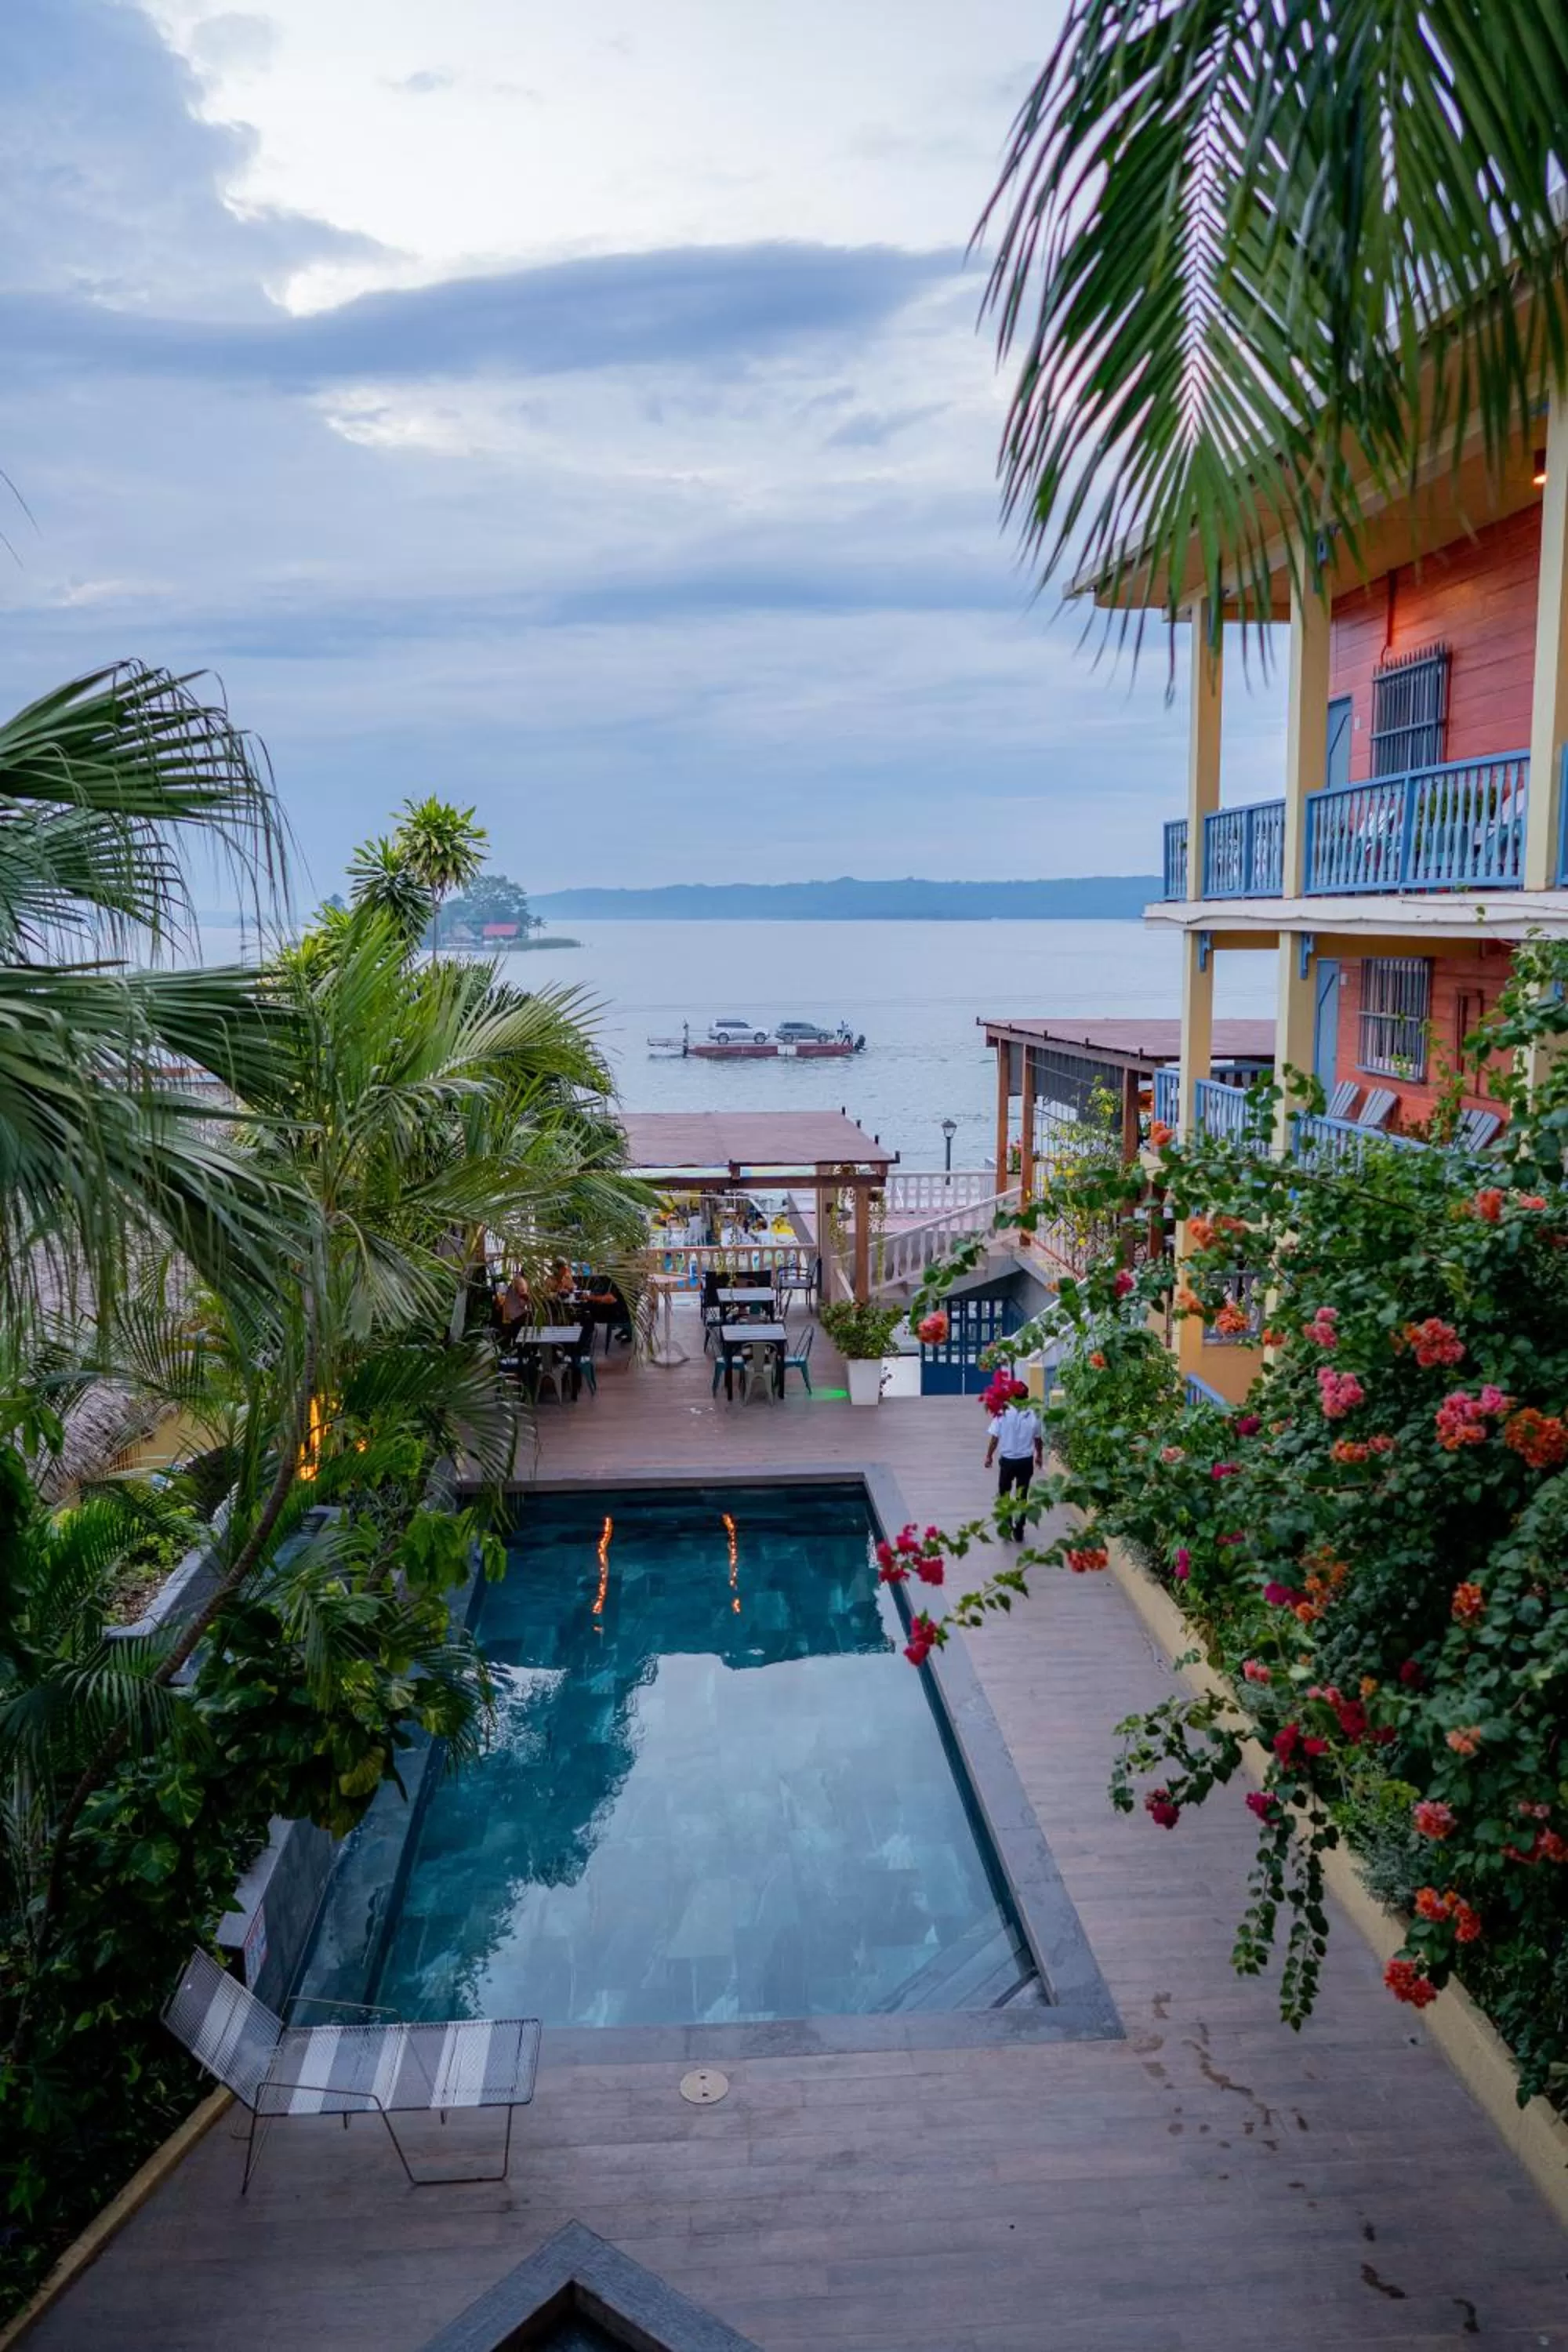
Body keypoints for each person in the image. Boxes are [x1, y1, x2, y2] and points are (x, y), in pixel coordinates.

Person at [983, 1377, 1044, 1506]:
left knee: (1004, 1494)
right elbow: (1038, 1439)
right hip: (1025, 1461)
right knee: (1022, 1496)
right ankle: (1020, 1525)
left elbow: (994, 1439)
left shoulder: (1002, 1413)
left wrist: (989, 1456)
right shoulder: (1034, 1414)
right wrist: (1039, 1455)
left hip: (1008, 1461)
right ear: (1027, 1397)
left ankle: (1008, 1521)